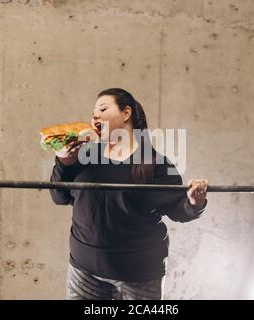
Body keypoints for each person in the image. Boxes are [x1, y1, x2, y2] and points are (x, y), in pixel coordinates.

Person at [50, 88, 209, 300]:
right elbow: (59, 197)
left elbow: (179, 211)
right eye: (93, 112)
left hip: (140, 274)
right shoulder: (84, 155)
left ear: (126, 113)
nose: (95, 116)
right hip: (84, 271)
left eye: (103, 108)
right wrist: (63, 162)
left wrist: (194, 201)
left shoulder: (158, 163)